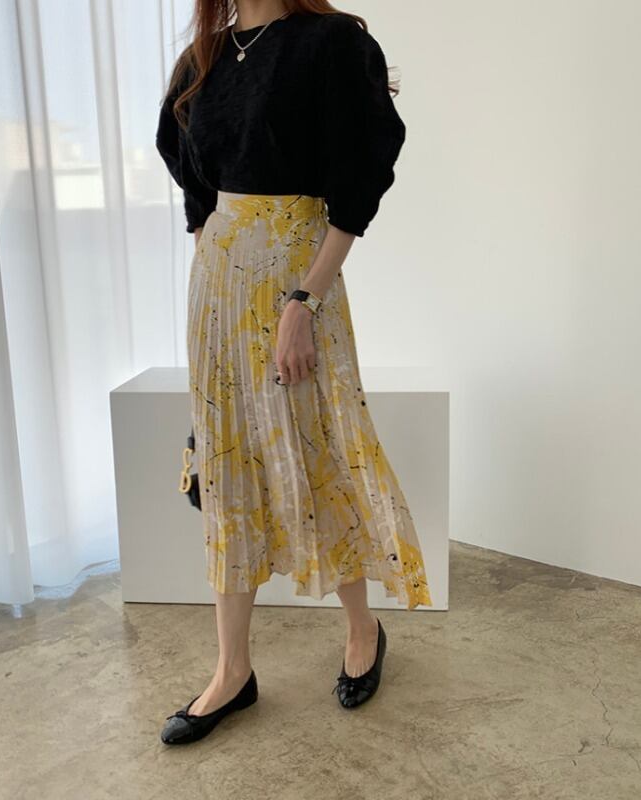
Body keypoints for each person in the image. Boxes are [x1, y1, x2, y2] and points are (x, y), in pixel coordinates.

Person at [155, 0, 432, 745]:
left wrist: (304, 300)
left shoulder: (330, 43)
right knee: (227, 461)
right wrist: (216, 271)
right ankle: (232, 670)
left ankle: (363, 627)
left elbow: (360, 177)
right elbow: (192, 181)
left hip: (299, 276)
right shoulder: (202, 59)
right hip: (218, 282)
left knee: (319, 448)